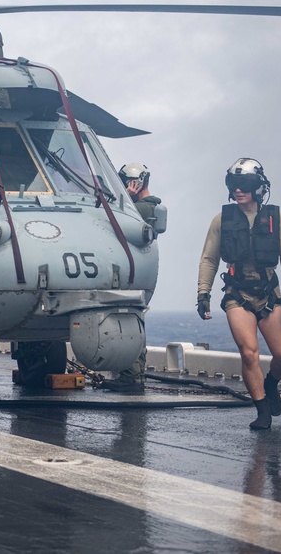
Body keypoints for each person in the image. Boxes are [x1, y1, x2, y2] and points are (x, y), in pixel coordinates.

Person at [197, 158, 281, 430]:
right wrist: (203, 293)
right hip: (237, 295)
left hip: (269, 294)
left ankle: (271, 384)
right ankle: (262, 410)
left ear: (258, 187)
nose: (238, 190)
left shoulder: (278, 220)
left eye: (244, 185)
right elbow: (209, 259)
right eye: (234, 184)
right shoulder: (222, 220)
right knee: (249, 354)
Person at [100, 163, 162, 394]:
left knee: (129, 323)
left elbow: (111, 221)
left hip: (130, 272)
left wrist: (125, 198)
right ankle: (132, 376)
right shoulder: (146, 207)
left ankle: (131, 377)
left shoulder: (141, 209)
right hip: (137, 271)